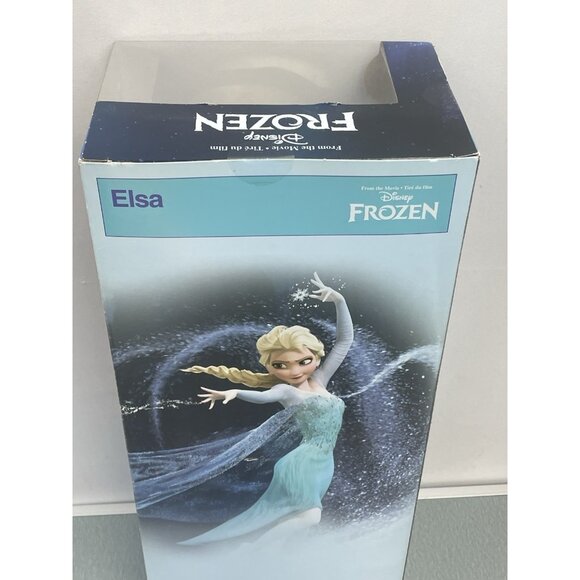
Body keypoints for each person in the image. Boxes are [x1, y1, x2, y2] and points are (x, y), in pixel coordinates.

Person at [178, 273, 354, 546]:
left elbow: (344, 341)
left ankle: (268, 554)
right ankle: (253, 551)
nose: (294, 371)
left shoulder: (320, 380)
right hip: (302, 462)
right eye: (281, 365)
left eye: (303, 361)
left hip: (324, 463)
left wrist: (339, 301)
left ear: (316, 358)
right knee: (310, 518)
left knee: (302, 519)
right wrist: (235, 392)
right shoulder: (287, 391)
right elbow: (263, 397)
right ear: (270, 368)